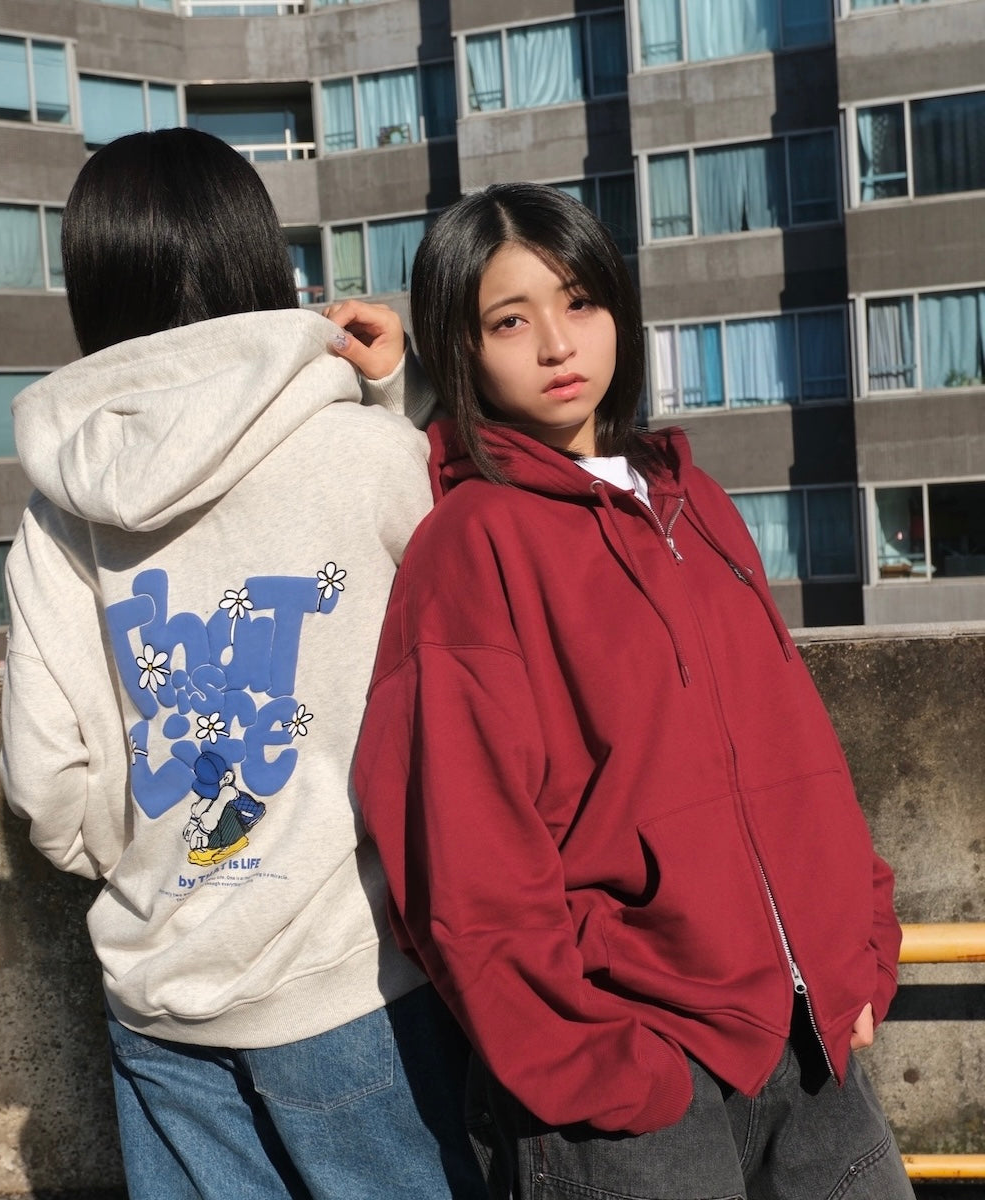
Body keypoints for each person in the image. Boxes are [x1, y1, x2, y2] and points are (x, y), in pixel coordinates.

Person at [352, 183, 915, 1200]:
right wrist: (595, 1064)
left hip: (811, 1036)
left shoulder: (697, 504)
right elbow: (462, 850)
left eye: (580, 301)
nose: (556, 343)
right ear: (462, 348)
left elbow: (796, 741)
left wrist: (861, 944)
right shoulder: (471, 544)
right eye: (509, 320)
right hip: (636, 1079)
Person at [0, 127, 485, 1200]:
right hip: (351, 977)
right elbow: (486, 622)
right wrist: (406, 397)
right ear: (255, 254)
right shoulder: (370, 455)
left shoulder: (58, 511)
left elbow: (44, 778)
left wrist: (148, 859)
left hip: (157, 992)